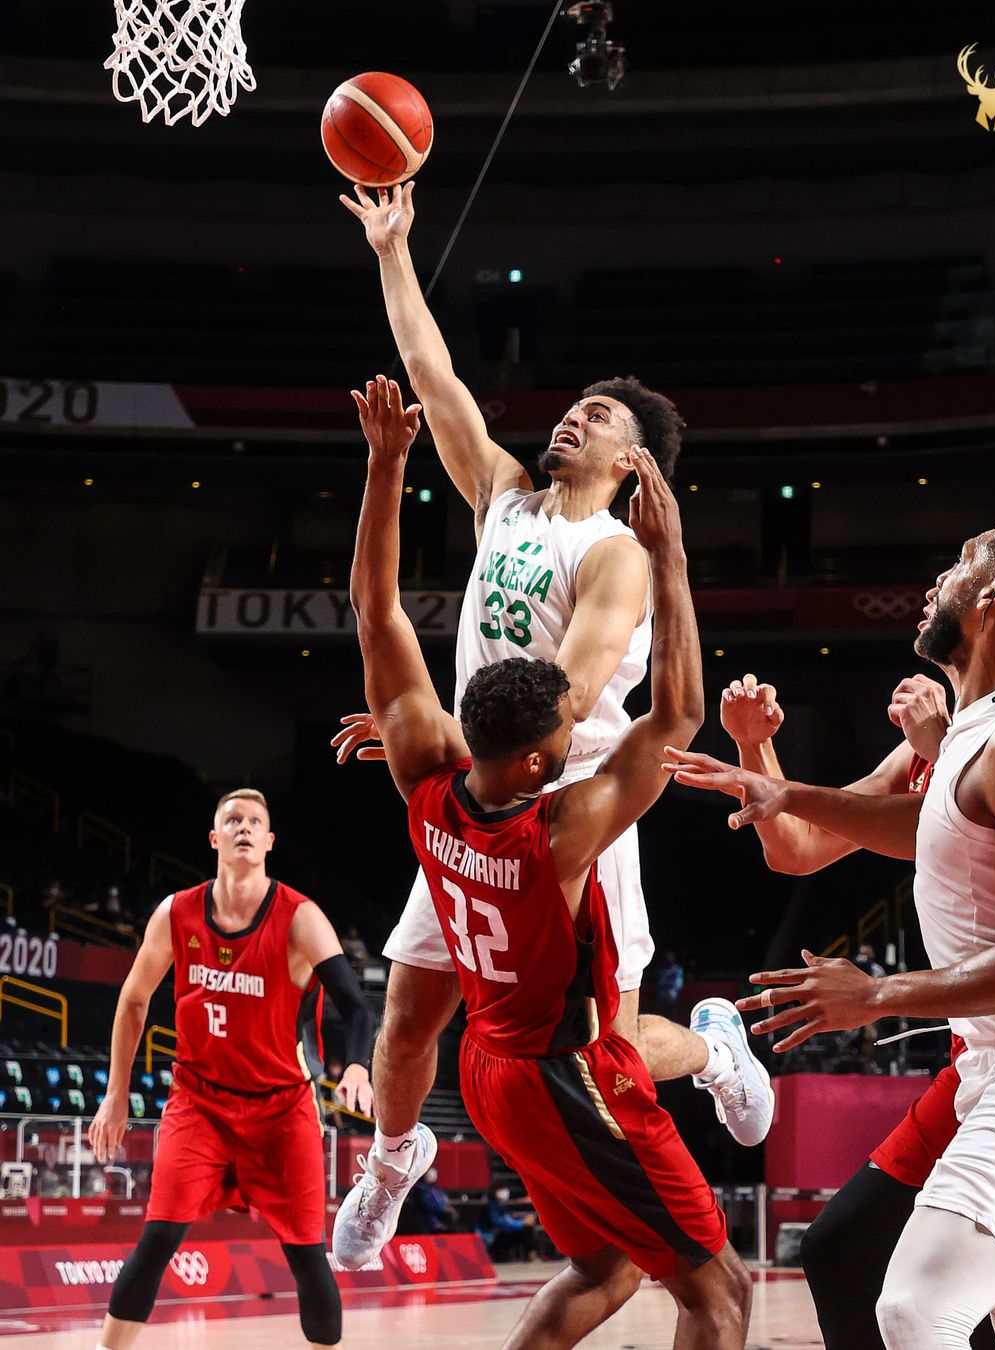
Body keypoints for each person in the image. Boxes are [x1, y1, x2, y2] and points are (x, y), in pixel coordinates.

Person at [330, 181, 772, 1263]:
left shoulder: (615, 554)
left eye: (602, 418)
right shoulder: (506, 497)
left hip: (575, 810)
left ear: (634, 467)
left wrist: (439, 732)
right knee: (406, 1016)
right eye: (577, 403)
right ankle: (395, 1159)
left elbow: (570, 699)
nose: (574, 414)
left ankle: (712, 1050)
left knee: (608, 1045)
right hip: (482, 796)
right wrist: (395, 250)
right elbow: (433, 381)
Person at [665, 520, 995, 1349]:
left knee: (916, 1307)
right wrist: (777, 785)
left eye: (963, 560)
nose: (938, 576)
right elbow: (915, 826)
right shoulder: (979, 726)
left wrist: (877, 995)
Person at [714, 668, 995, 1350]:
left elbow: (956, 834)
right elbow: (798, 850)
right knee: (842, 1251)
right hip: (976, 1056)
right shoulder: (931, 739)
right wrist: (756, 750)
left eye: (960, 568)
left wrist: (875, 995)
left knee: (991, 1300)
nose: (933, 590)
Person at [87, 789, 375, 1350]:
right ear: (215, 838)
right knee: (156, 1241)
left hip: (281, 1110)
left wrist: (359, 1065)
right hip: (198, 1105)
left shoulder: (301, 918)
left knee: (308, 1259)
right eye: (232, 820)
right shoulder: (177, 912)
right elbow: (132, 1000)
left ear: (269, 842)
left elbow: (357, 1006)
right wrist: (115, 1093)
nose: (243, 827)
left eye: (255, 822)